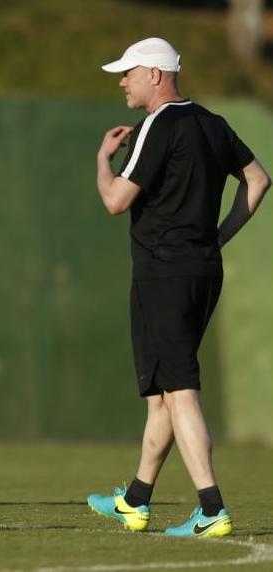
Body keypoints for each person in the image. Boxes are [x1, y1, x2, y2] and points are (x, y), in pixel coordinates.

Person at [86, 38, 270, 537]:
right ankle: (135, 500)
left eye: (128, 72)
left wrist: (104, 159)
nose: (122, 80)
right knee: (164, 395)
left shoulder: (157, 125)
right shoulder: (213, 124)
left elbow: (115, 201)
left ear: (155, 74)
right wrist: (220, 235)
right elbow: (257, 179)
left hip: (163, 274)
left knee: (180, 390)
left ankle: (211, 509)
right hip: (202, 271)